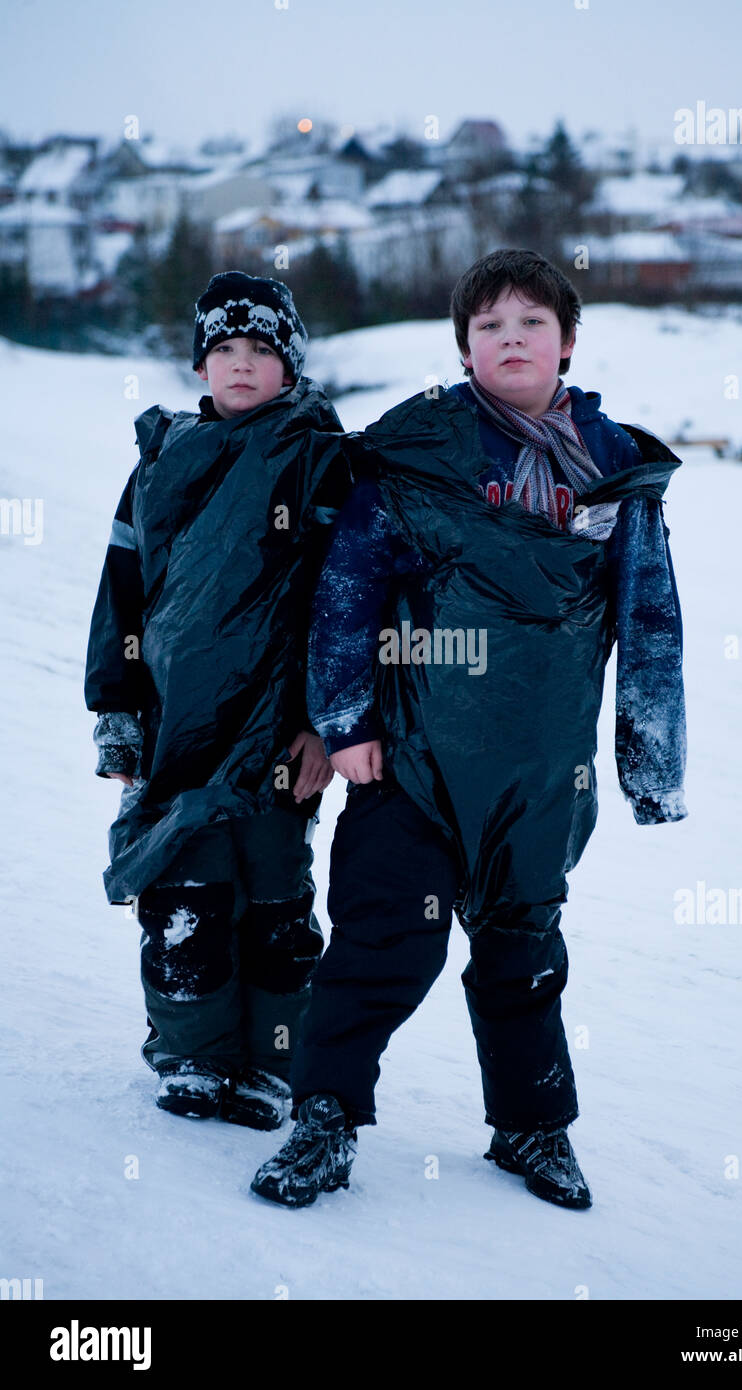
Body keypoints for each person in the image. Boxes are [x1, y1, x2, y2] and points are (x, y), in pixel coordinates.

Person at [250, 248, 687, 1208]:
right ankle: (324, 1121)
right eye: (489, 326)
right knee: (381, 942)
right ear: (465, 349)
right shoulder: (419, 453)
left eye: (532, 322)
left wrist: (650, 764)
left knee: (525, 955)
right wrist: (346, 719)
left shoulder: (616, 468)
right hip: (412, 757)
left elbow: (649, 618)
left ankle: (532, 1130)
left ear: (567, 342)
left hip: (540, 770)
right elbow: (349, 590)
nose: (512, 338)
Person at [85, 271, 350, 1130]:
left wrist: (324, 723)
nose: (241, 364)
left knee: (274, 898)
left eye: (261, 349)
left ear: (290, 365)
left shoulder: (319, 459)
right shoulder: (161, 462)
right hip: (177, 727)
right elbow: (121, 593)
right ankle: (193, 1053)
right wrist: (118, 716)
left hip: (279, 732)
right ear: (201, 365)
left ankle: (273, 1063)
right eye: (223, 348)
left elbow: (347, 600)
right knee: (185, 895)